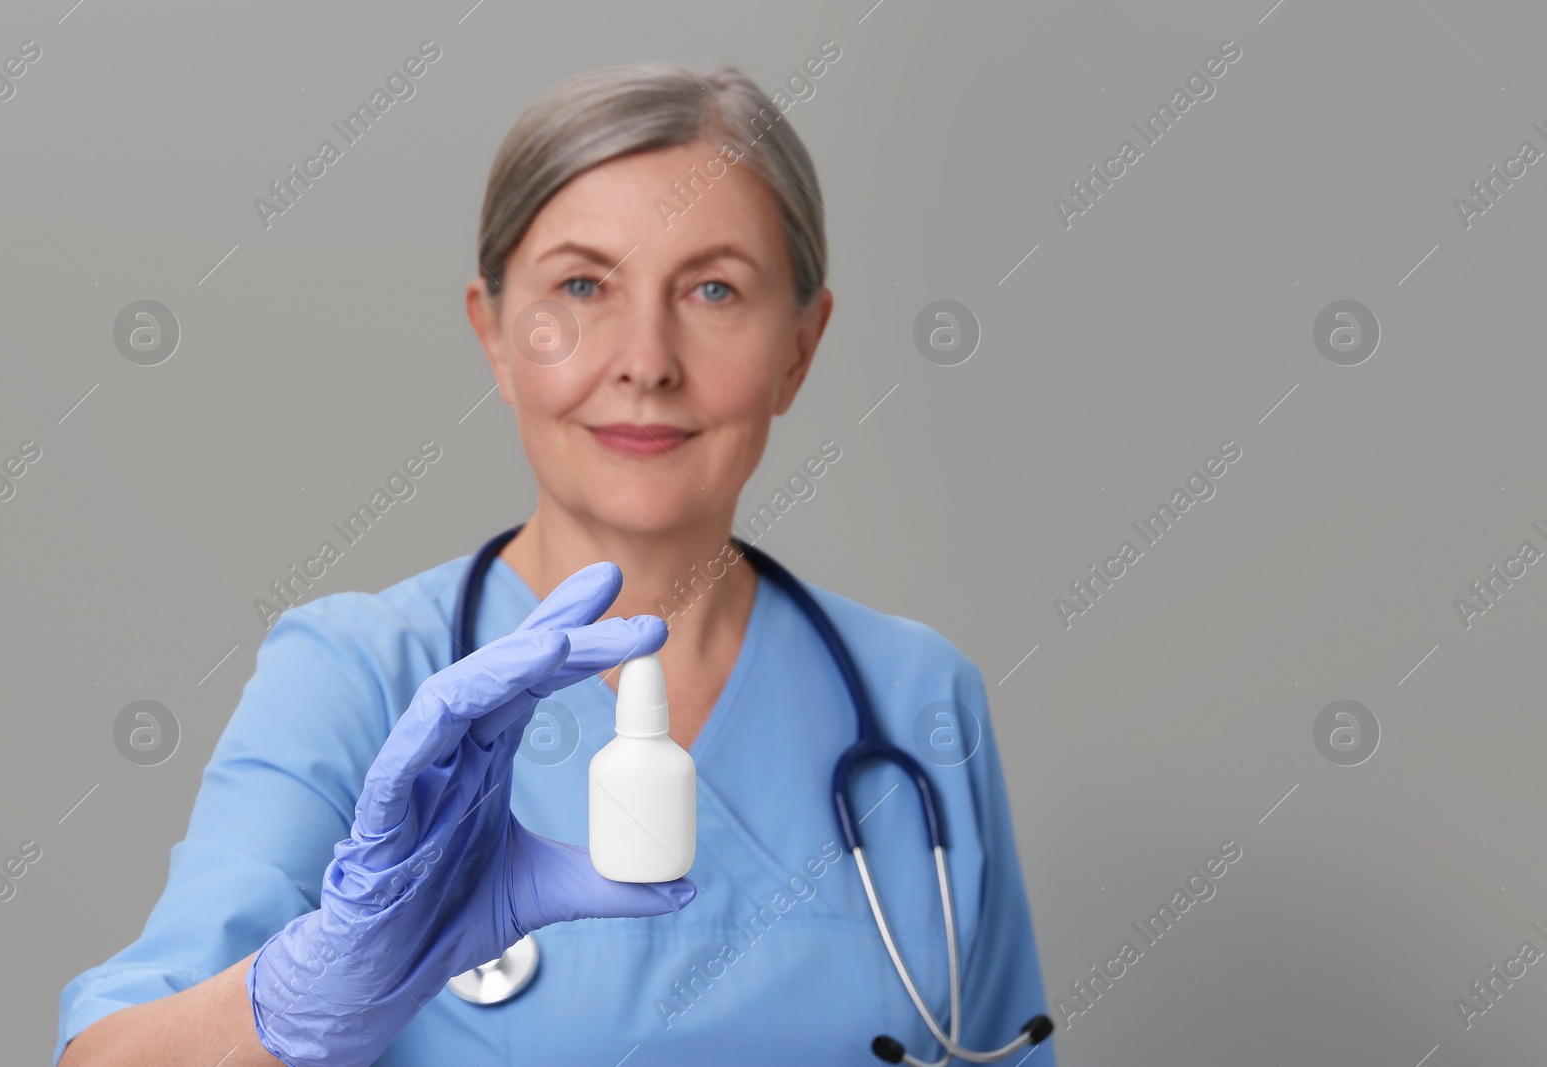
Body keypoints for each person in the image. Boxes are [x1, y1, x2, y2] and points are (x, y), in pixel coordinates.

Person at [54, 62, 1054, 1066]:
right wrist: (300, 996)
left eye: (714, 288)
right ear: (493, 333)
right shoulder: (355, 673)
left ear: (801, 344)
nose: (645, 358)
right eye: (582, 286)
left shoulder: (919, 695)